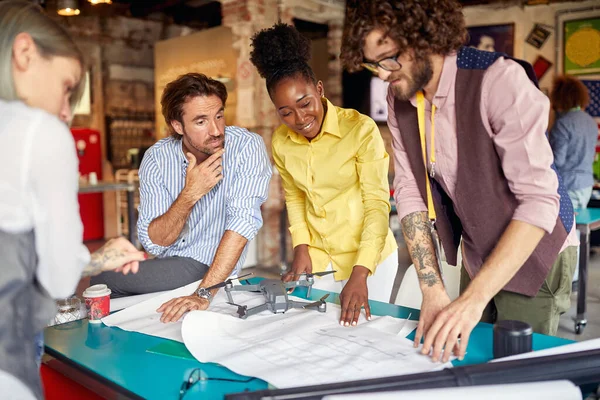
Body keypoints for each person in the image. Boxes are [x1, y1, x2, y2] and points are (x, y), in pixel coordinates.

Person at [341, 0, 578, 362]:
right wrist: (432, 289)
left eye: (388, 58)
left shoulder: (499, 81)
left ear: (424, 38)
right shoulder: (400, 96)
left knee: (513, 369)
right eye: (373, 64)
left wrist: (472, 300)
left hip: (536, 250)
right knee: (468, 355)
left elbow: (538, 201)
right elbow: (409, 191)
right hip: (478, 250)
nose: (382, 74)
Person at [0, 1, 146, 398]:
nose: (66, 112)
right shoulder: (39, 133)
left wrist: (99, 258)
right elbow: (59, 277)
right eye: (67, 87)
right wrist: (97, 258)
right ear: (25, 52)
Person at [249, 23, 398, 327]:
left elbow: (377, 205)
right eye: (285, 111)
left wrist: (361, 272)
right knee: (313, 331)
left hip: (369, 257)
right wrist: (301, 248)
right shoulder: (281, 141)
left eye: (304, 104)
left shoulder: (360, 130)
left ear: (319, 89)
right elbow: (295, 197)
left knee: (361, 336)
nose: (299, 118)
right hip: (319, 258)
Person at [92, 73, 272, 323]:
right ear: (178, 126)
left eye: (219, 115)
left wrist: (203, 293)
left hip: (209, 263)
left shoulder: (246, 147)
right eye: (201, 121)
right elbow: (155, 242)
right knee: (105, 279)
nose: (217, 130)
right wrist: (190, 194)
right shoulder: (157, 158)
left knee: (103, 280)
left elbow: (242, 223)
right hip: (171, 262)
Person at [549, 75, 598, 209]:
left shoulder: (562, 124)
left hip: (568, 185)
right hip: (587, 184)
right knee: (577, 226)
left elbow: (558, 161)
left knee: (566, 228)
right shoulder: (590, 122)